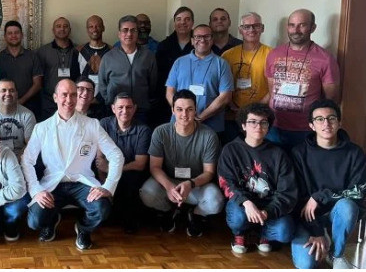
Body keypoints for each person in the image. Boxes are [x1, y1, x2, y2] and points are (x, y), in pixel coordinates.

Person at [21, 79, 124, 250]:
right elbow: (27, 160)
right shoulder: (42, 128)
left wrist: (108, 187)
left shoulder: (92, 125)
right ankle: (51, 221)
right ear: (55, 97)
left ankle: (83, 229)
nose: (69, 100)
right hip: (53, 184)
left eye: (73, 95)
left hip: (82, 183)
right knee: (34, 221)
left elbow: (116, 155)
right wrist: (36, 190)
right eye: (64, 95)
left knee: (102, 208)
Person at [290, 99, 366, 269]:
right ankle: (324, 236)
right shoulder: (298, 153)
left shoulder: (355, 153)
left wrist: (321, 196)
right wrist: (316, 232)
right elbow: (296, 199)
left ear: (339, 122)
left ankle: (336, 254)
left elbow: (358, 192)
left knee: (347, 206)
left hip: (338, 215)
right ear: (311, 125)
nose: (326, 123)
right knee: (306, 264)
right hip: (308, 219)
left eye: (331, 118)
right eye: (319, 119)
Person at [140, 89, 224, 237]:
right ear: (172, 110)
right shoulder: (161, 132)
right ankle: (169, 211)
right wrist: (169, 186)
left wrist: (190, 184)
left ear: (195, 110)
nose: (184, 115)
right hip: (168, 182)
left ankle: (196, 215)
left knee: (215, 200)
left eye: (189, 109)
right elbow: (154, 167)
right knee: (147, 192)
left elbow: (209, 172)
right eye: (179, 109)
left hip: (196, 184)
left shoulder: (209, 135)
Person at [218, 103, 296, 254]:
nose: (258, 126)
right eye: (252, 121)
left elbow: (288, 192)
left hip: (269, 206)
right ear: (243, 125)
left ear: (268, 127)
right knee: (238, 218)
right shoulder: (230, 150)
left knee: (285, 231)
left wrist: (267, 212)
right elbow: (226, 182)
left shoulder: (278, 154)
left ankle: (263, 234)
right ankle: (240, 234)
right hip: (242, 204)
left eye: (263, 122)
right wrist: (247, 203)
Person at [265, 9, 340, 151]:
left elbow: (331, 100)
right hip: (274, 126)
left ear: (313, 27)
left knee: (303, 171)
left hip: (306, 129)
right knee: (274, 170)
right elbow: (271, 90)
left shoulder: (325, 59)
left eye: (302, 25)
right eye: (292, 25)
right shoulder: (273, 54)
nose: (296, 30)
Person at [98, 93, 151, 233]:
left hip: (130, 171)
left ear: (134, 109)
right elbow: (99, 159)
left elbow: (140, 164)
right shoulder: (103, 124)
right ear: (113, 108)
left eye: (128, 107)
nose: (125, 111)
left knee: (128, 183)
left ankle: (128, 220)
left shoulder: (143, 130)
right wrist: (104, 179)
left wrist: (113, 170)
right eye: (120, 107)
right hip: (106, 171)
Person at [165, 24, 234, 134]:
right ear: (192, 40)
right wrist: (181, 113)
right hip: (180, 124)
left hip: (211, 126)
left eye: (207, 36)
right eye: (198, 37)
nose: (202, 40)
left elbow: (225, 97)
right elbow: (170, 91)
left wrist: (200, 117)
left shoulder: (222, 64)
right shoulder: (179, 62)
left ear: (212, 40)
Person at [221, 12, 271, 145]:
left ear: (262, 28)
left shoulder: (271, 54)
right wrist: (231, 105)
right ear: (240, 30)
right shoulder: (227, 55)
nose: (251, 30)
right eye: (247, 26)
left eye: (256, 26)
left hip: (259, 117)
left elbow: (275, 87)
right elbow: (222, 85)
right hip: (232, 116)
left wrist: (256, 108)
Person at [98, 15, 158, 124]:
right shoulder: (108, 57)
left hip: (141, 110)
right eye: (125, 30)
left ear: (137, 33)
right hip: (116, 111)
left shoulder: (148, 56)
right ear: (119, 34)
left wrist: (146, 100)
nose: (129, 34)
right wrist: (110, 100)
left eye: (133, 30)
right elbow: (102, 84)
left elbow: (153, 83)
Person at [153, 7, 194, 128]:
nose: (183, 22)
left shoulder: (199, 45)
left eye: (187, 19)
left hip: (193, 100)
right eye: (179, 19)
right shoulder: (163, 46)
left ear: (192, 23)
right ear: (174, 23)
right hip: (166, 101)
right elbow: (158, 76)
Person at [0, 20, 43, 117]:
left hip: (30, 107)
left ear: (22, 35)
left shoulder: (32, 56)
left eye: (16, 33)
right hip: (4, 107)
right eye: (10, 33)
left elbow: (38, 84)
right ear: (5, 37)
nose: (13, 36)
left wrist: (21, 101)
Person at [0, 79, 36, 158]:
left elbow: (31, 145)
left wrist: (17, 160)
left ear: (16, 94)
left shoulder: (28, 115)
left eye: (12, 90)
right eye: (3, 90)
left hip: (22, 158)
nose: (8, 93)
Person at [37, 17, 80, 120]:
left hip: (71, 101)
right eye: (58, 26)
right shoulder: (42, 51)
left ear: (70, 30)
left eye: (65, 26)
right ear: (53, 30)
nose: (62, 29)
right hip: (49, 102)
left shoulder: (78, 50)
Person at [77, 15, 111, 84]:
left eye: (97, 26)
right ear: (87, 29)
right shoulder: (78, 51)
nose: (94, 29)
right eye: (91, 27)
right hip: (84, 93)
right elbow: (75, 75)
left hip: (105, 93)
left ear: (103, 28)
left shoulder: (112, 51)